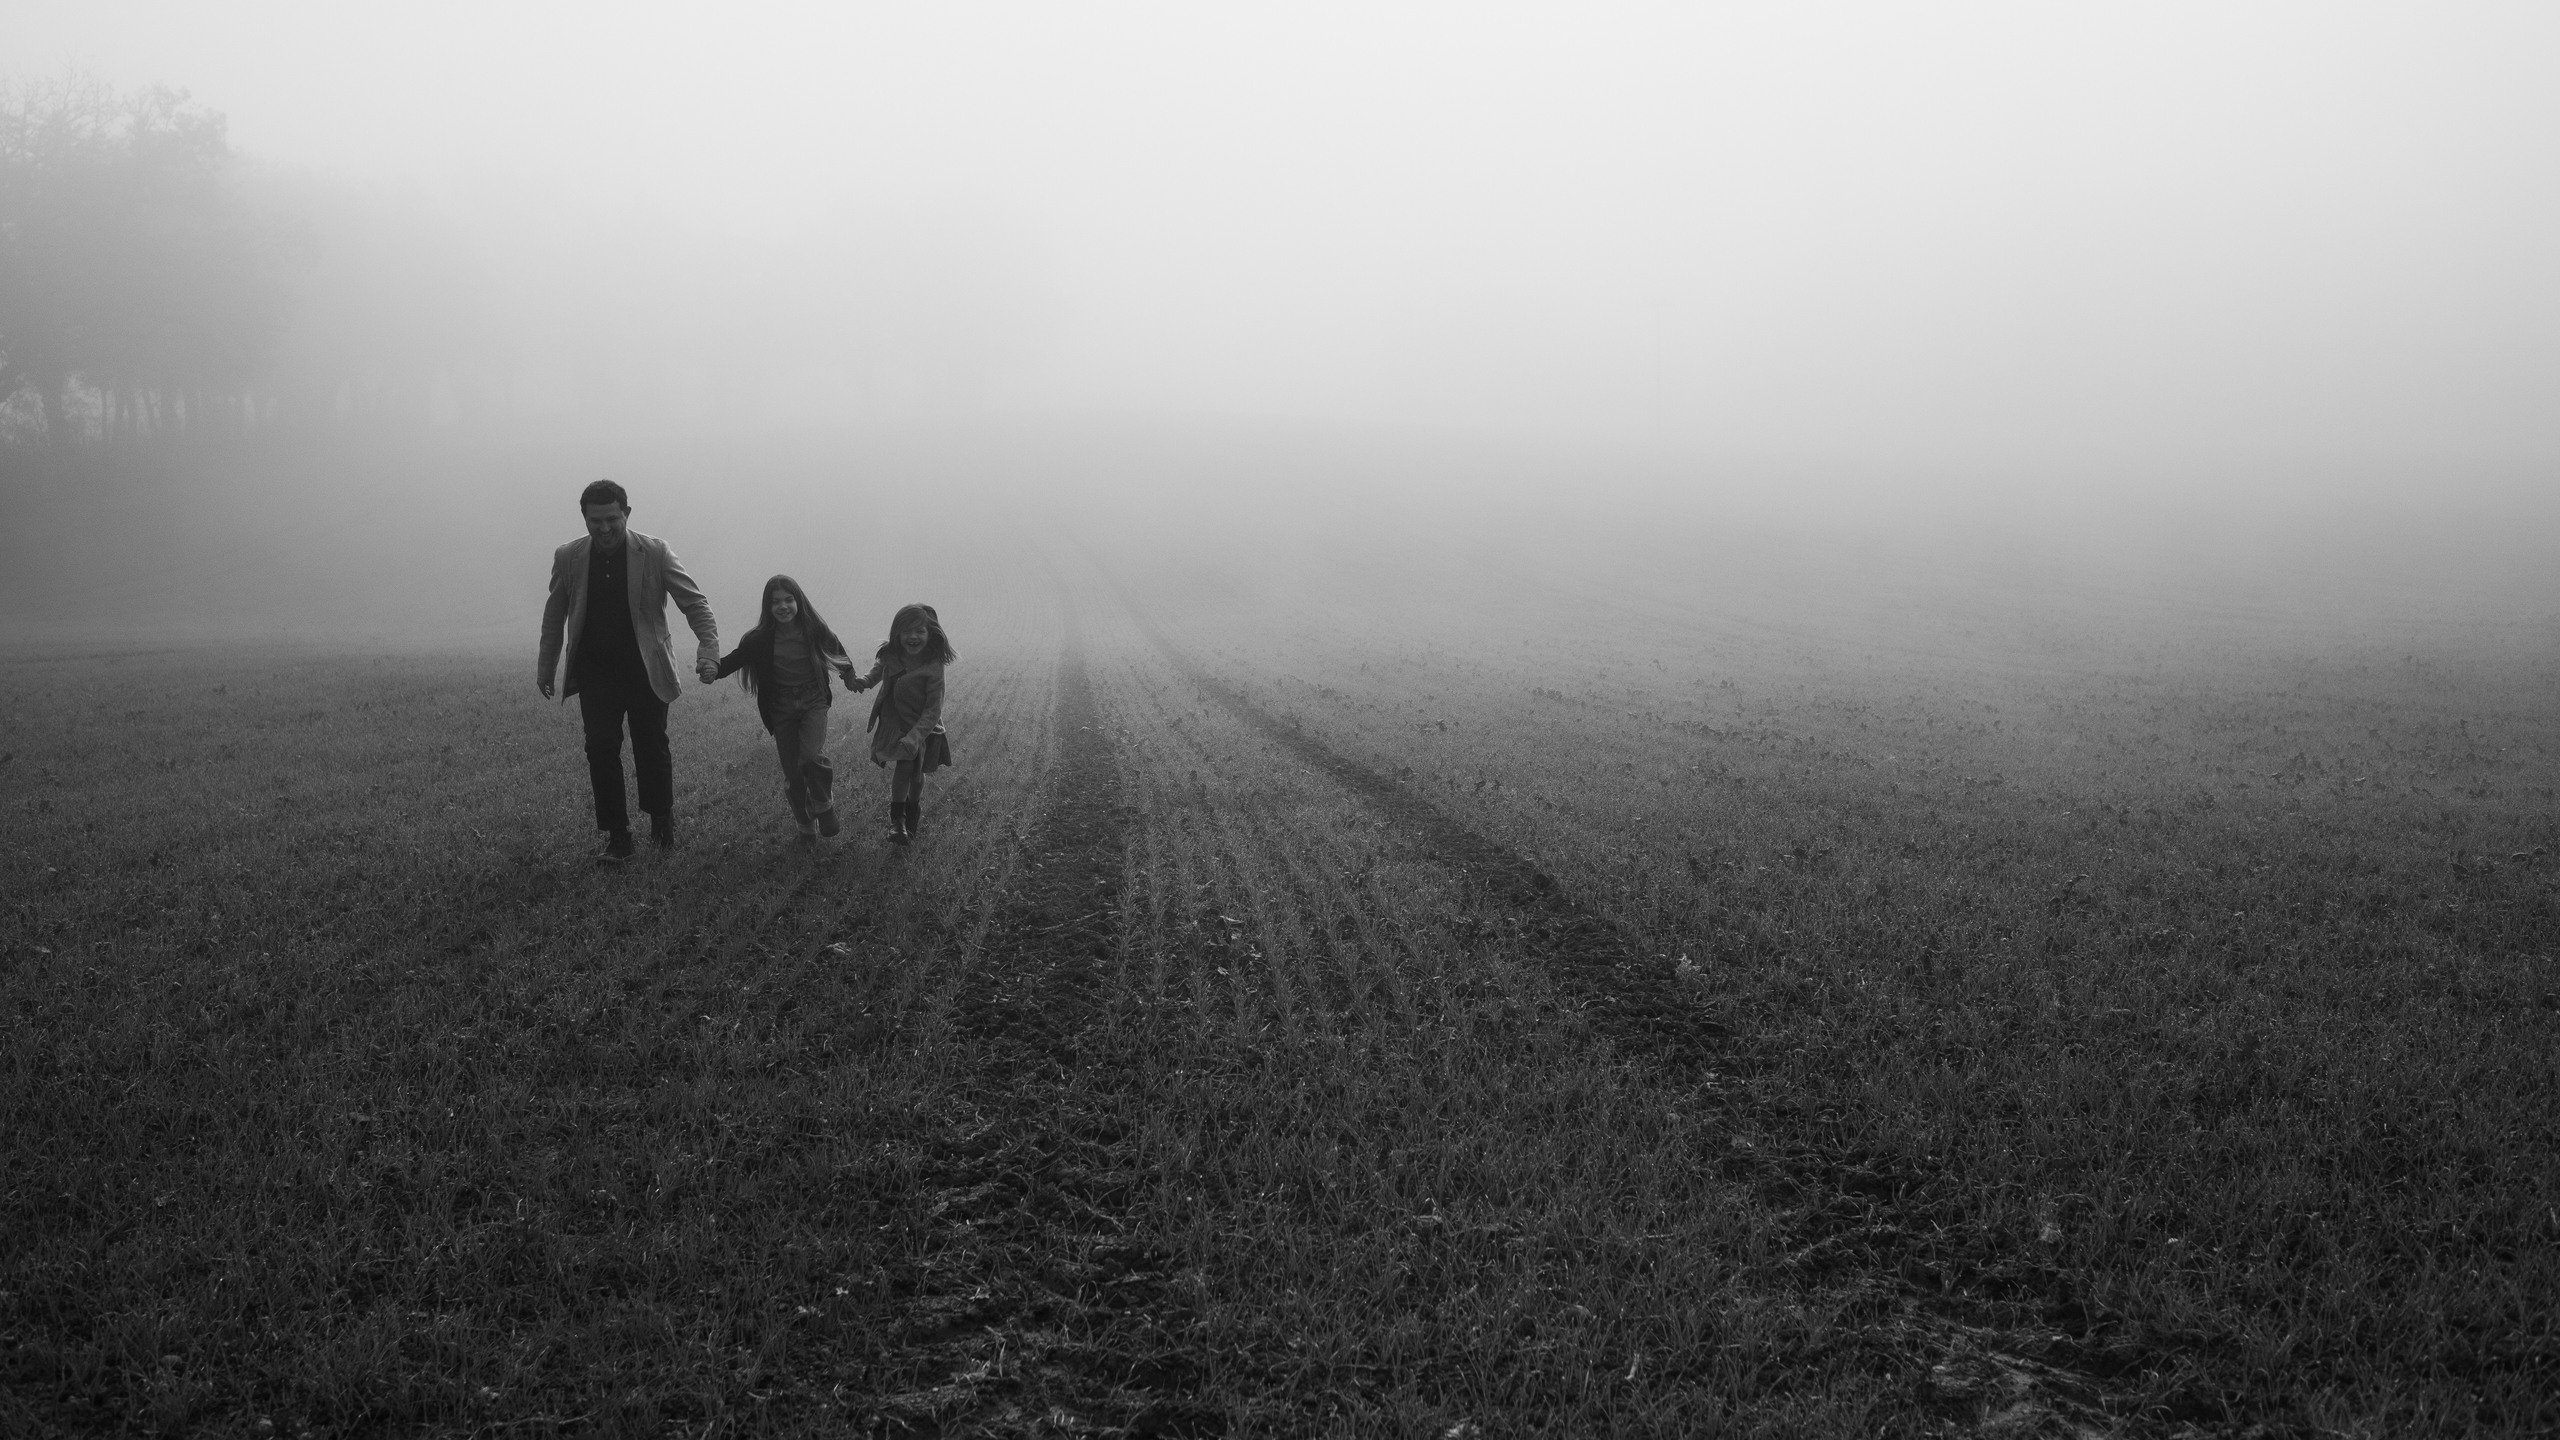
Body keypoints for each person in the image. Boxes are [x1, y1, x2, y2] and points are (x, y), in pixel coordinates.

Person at [536, 479, 720, 861]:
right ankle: (618, 837)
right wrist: (545, 667)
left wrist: (709, 649)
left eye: (612, 520)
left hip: (645, 667)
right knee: (600, 749)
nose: (604, 529)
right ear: (584, 518)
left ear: (627, 514)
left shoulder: (654, 552)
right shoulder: (568, 555)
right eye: (595, 521)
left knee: (651, 746)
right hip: (595, 671)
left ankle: (660, 822)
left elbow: (695, 603)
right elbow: (554, 615)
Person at [706, 575, 863, 843]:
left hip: (813, 700)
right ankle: (804, 824)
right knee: (793, 773)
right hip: (781, 707)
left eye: (789, 600)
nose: (783, 606)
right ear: (767, 607)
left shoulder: (814, 629)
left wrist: (850, 678)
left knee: (811, 757)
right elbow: (734, 660)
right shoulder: (759, 639)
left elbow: (837, 651)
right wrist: (712, 670)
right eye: (775, 601)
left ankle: (823, 805)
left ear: (798, 601)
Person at [853, 603, 955, 845]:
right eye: (907, 630)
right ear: (897, 633)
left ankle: (913, 808)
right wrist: (864, 681)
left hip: (922, 726)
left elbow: (933, 709)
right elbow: (878, 671)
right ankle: (897, 821)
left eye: (920, 630)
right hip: (896, 722)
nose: (913, 636)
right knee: (904, 767)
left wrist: (915, 737)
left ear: (930, 634)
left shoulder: (933, 665)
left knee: (917, 776)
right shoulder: (891, 656)